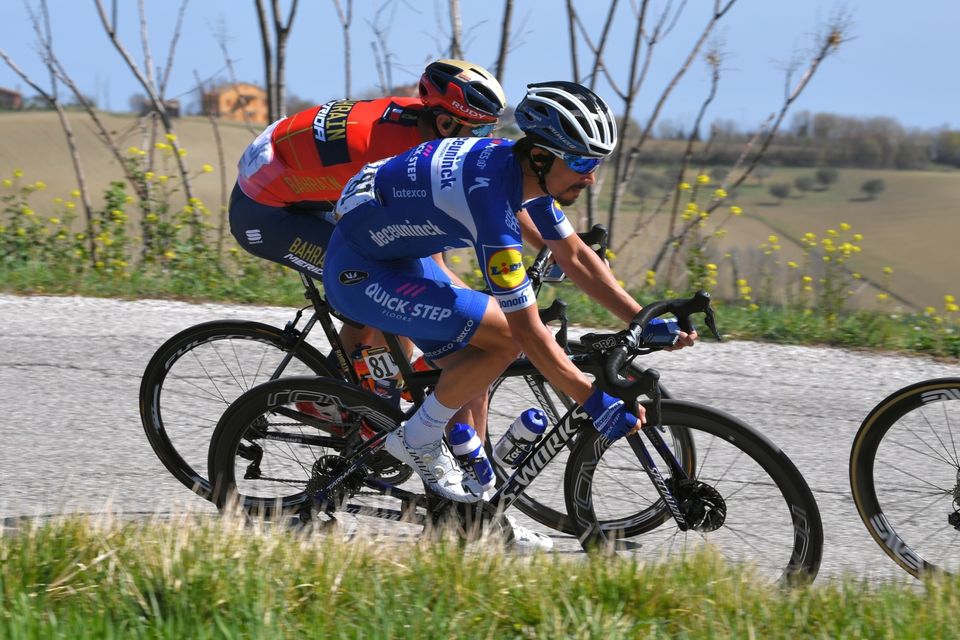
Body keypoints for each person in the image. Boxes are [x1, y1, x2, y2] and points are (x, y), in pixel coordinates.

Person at [322, 81, 697, 519]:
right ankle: (418, 437)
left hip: (396, 251)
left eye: (595, 162)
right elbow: (526, 330)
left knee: (477, 365)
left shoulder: (516, 170)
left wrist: (639, 319)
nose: (590, 176)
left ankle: (469, 514)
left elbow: (574, 255)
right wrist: (590, 399)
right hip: (363, 272)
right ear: (540, 156)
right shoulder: (492, 204)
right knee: (503, 340)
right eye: (580, 161)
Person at [228, 59, 507, 388]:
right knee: (389, 284)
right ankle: (341, 401)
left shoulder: (419, 124)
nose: (486, 139)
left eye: (492, 128)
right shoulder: (393, 159)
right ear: (444, 123)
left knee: (395, 279)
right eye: (478, 130)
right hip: (264, 216)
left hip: (291, 186)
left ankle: (350, 394)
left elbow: (429, 249)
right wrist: (490, 312)